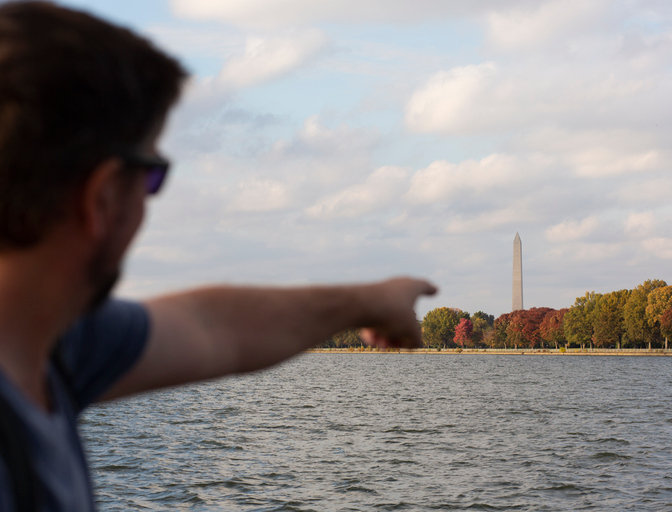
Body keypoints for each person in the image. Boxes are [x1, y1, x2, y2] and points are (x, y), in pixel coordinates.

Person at [0, 2, 436, 510]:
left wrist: (373, 300)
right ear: (101, 198)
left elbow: (215, 328)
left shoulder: (53, 344)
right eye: (152, 177)